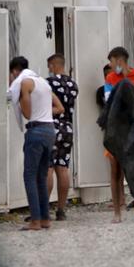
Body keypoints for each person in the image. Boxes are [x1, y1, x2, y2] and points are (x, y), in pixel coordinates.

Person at [9, 56, 64, 231]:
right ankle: (45, 218)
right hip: (50, 131)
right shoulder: (44, 83)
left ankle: (35, 220)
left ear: (15, 71)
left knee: (30, 176)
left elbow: (26, 113)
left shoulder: (25, 83)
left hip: (36, 132)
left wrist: (19, 100)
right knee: (41, 176)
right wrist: (46, 111)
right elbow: (60, 107)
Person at [104, 47, 134, 222]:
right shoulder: (110, 78)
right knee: (116, 169)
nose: (110, 65)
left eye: (111, 61)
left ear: (119, 60)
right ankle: (117, 211)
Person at [45, 54, 79, 221]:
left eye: (49, 66)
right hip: (67, 128)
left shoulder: (48, 83)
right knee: (63, 168)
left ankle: (43, 210)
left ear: (52, 65)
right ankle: (61, 210)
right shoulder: (73, 84)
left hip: (51, 126)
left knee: (48, 167)